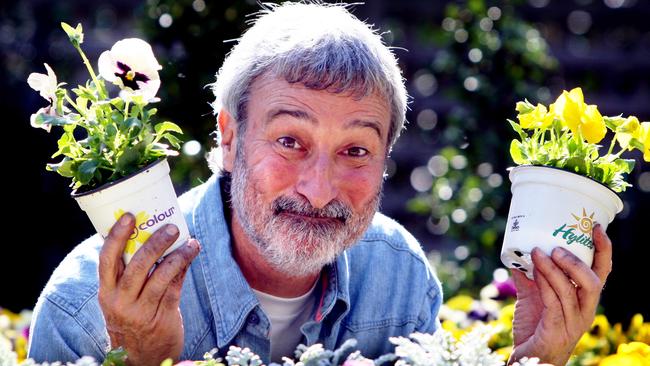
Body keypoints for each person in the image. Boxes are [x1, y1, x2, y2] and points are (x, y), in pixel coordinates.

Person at [27, 2, 613, 366]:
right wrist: (139, 364)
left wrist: (536, 361)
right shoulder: (83, 310)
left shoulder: (399, 276)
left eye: (355, 150)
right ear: (229, 139)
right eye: (289, 141)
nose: (319, 188)